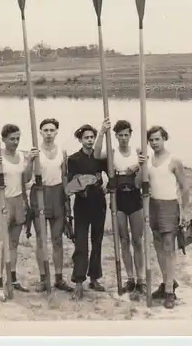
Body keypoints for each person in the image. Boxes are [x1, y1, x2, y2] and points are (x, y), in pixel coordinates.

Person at [94, 118, 146, 296]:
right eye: (120, 135)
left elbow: (146, 167)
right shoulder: (112, 152)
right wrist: (101, 132)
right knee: (123, 240)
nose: (124, 138)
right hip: (119, 198)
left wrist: (139, 165)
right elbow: (95, 155)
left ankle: (141, 279)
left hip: (134, 198)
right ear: (115, 136)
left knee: (137, 241)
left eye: (126, 135)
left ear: (131, 135)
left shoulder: (137, 151)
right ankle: (130, 278)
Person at [0, 123, 33, 302]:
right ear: (3, 140)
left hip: (18, 202)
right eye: (12, 139)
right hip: (1, 202)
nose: (16, 142)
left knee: (14, 244)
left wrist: (31, 162)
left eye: (18, 138)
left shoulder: (21, 156)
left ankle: (12, 279)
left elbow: (26, 179)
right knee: (2, 245)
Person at [147, 125, 189, 309]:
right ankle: (166, 283)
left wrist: (185, 212)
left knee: (169, 248)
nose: (154, 143)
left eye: (157, 139)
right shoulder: (147, 160)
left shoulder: (174, 161)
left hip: (170, 205)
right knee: (157, 246)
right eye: (151, 140)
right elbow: (139, 180)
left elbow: (184, 187)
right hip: (153, 205)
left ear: (164, 139)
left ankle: (170, 292)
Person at [28, 118, 72, 293]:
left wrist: (67, 200)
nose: (48, 133)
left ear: (56, 132)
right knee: (41, 239)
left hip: (57, 194)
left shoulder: (62, 152)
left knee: (57, 239)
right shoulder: (35, 152)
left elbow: (65, 177)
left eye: (51, 130)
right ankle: (43, 278)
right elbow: (25, 178)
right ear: (40, 132)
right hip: (39, 193)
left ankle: (59, 278)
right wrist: (30, 161)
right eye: (45, 130)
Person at [66, 124, 109, 300]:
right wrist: (83, 183)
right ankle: (78, 282)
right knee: (81, 244)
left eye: (92, 137)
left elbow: (111, 176)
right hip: (82, 206)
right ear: (80, 140)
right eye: (86, 137)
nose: (90, 140)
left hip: (99, 203)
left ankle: (94, 278)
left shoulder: (101, 158)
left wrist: (108, 184)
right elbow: (71, 185)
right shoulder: (74, 159)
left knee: (97, 241)